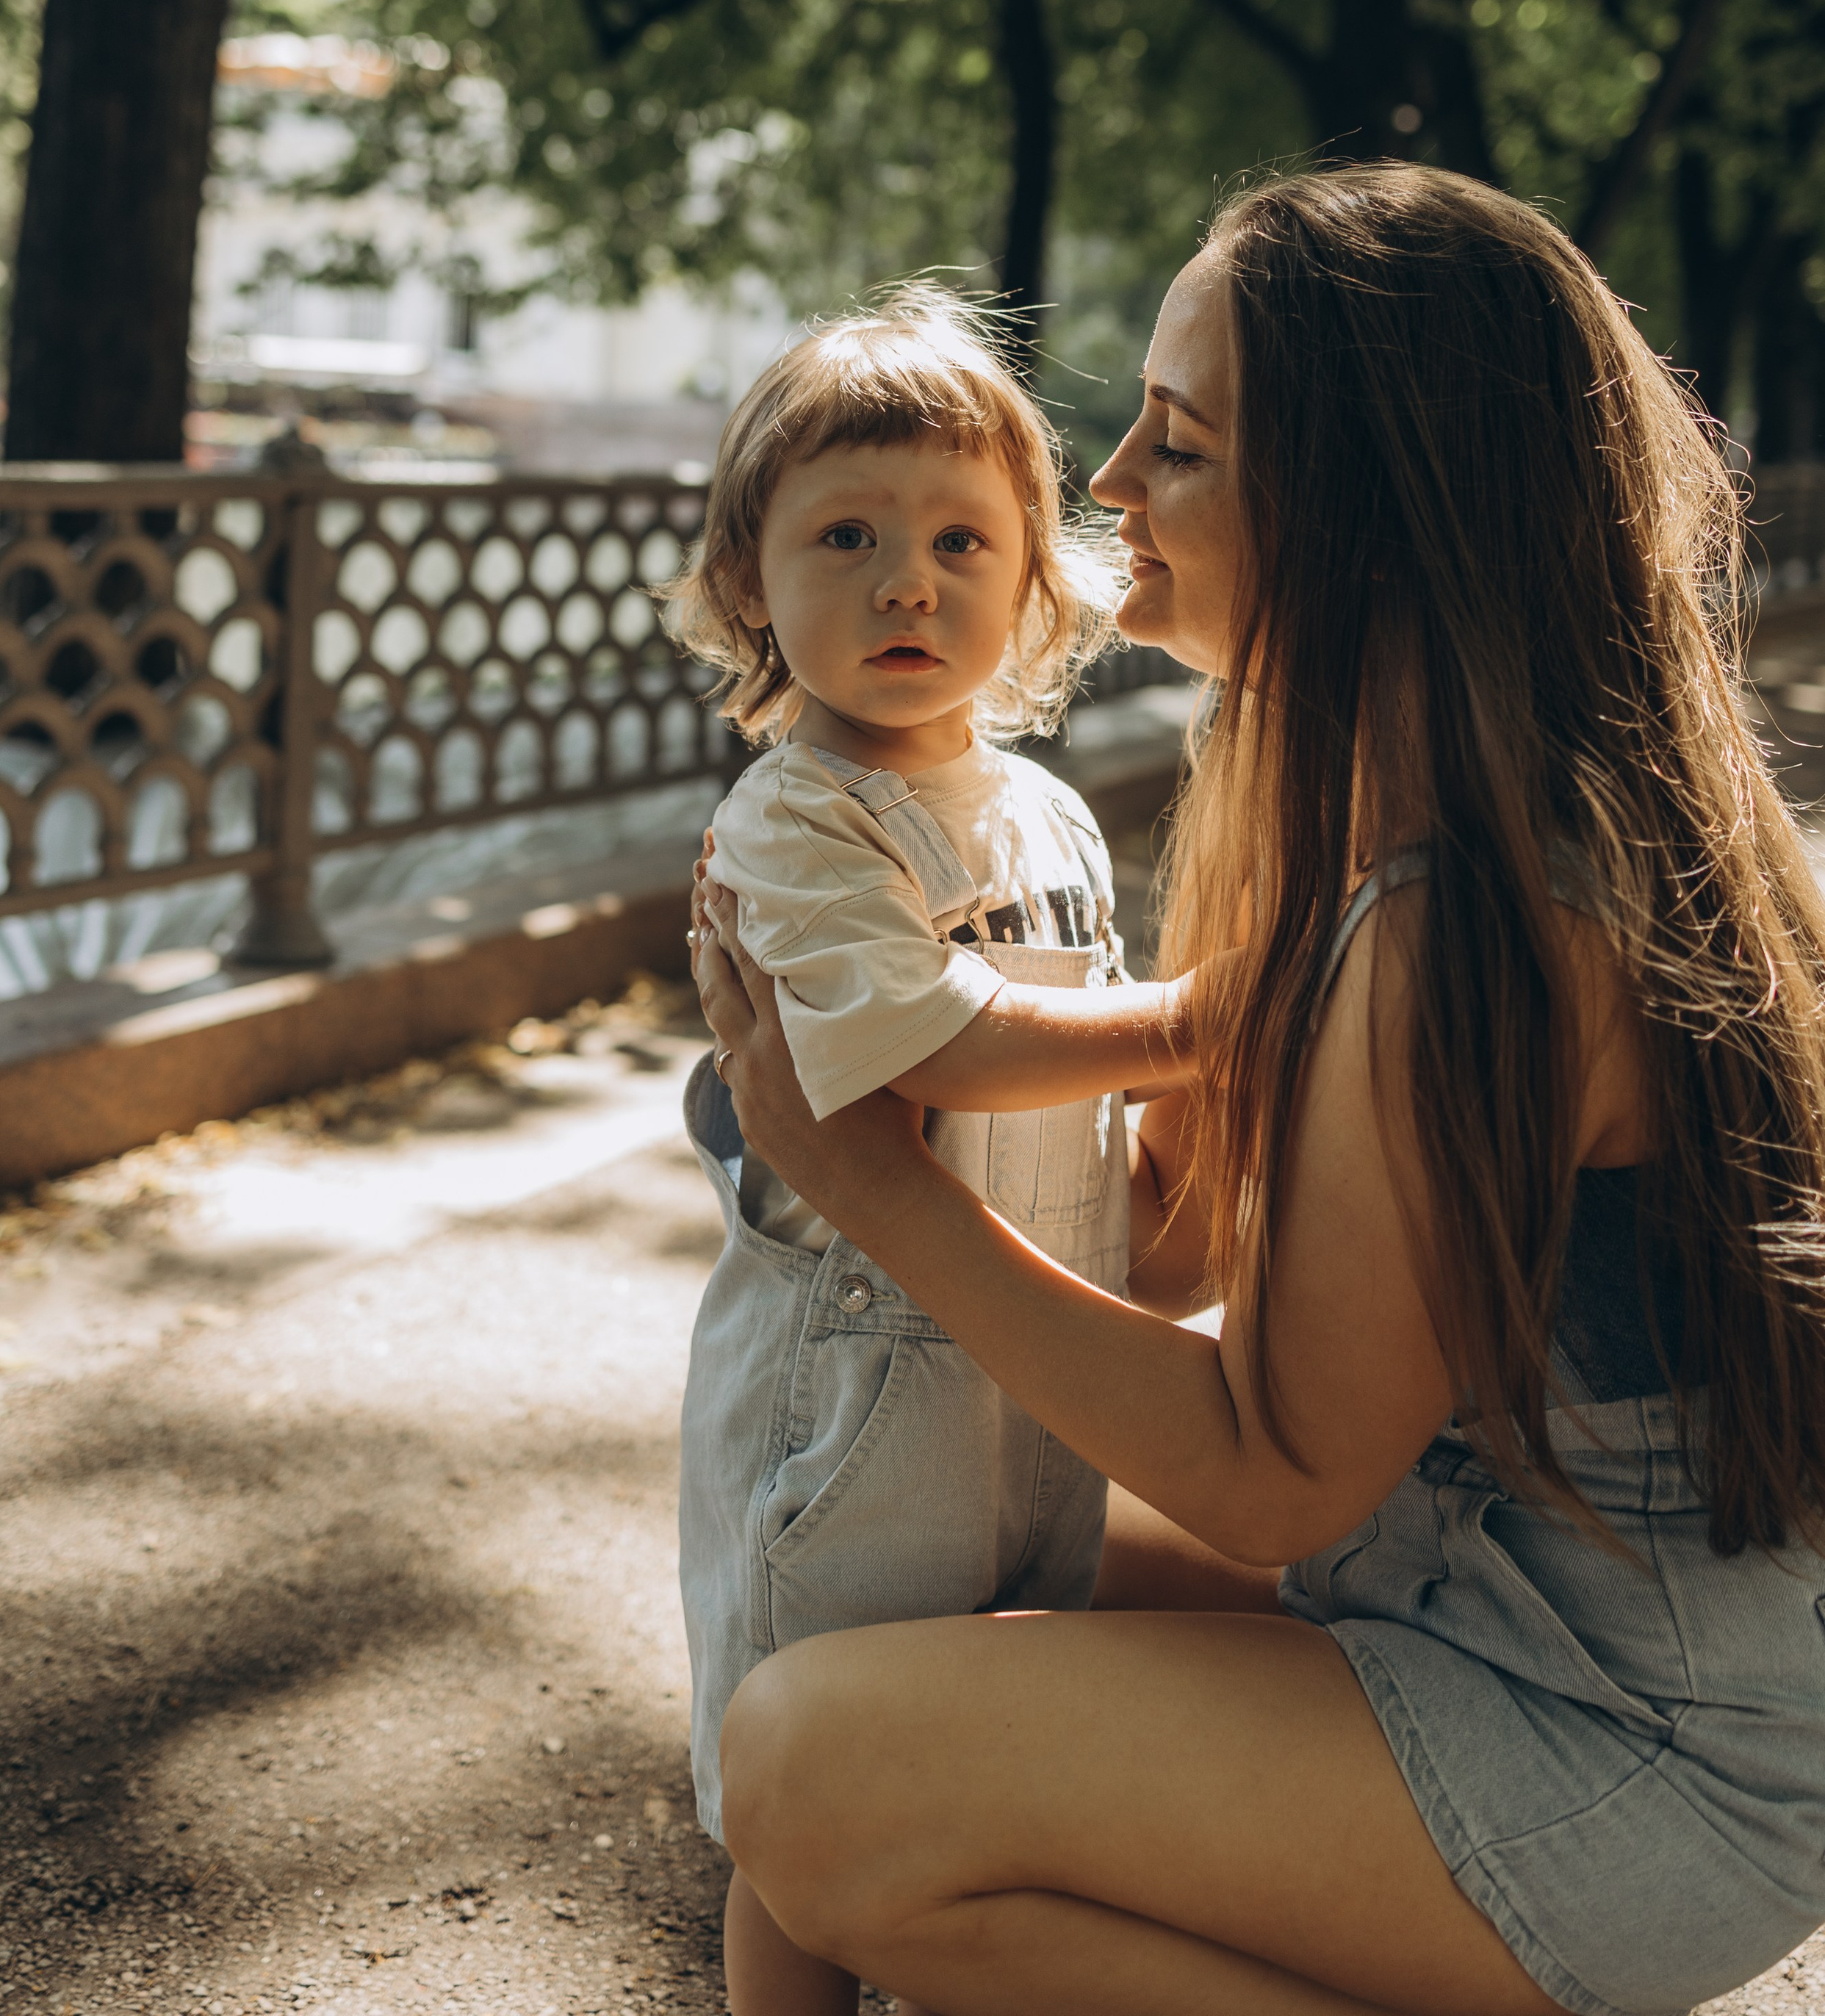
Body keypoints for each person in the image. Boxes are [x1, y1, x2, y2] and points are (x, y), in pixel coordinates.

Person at [692, 165, 1825, 2016]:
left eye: (1182, 443)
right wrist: (871, 1084)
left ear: (1369, 509)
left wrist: (867, 1177)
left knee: (815, 1772)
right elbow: (1153, 1265)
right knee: (909, 1584)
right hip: (1475, 1605)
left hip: (1642, 1747)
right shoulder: (1337, 799)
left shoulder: (1474, 914)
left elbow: (1270, 1477)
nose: (1107, 488)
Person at [663, 290, 1201, 2016]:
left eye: (963, 540)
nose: (909, 582)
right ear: (751, 584)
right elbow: (943, 1038)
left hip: (1022, 1361)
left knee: (970, 1743)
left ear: (1038, 579)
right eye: (847, 536)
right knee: (807, 1789)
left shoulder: (1041, 812)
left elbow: (1078, 1094)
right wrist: (1224, 1015)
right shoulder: (798, 817)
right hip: (852, 1392)